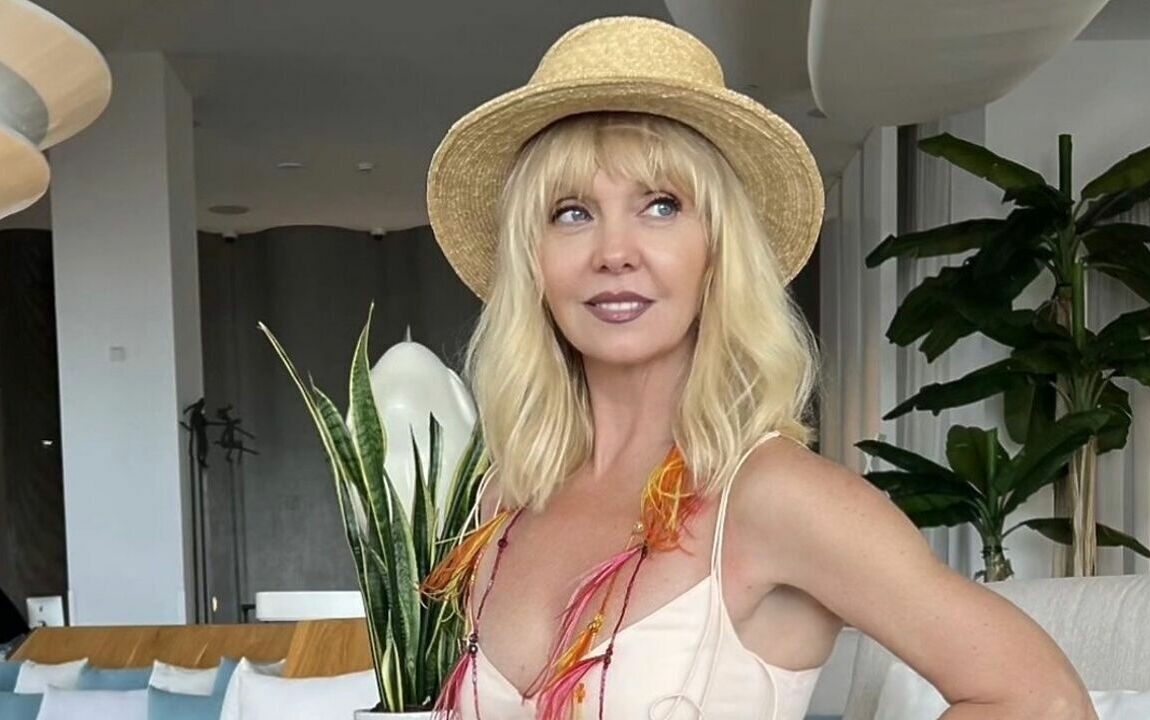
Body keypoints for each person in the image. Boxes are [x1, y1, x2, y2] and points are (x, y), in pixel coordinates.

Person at [422, 16, 1095, 720]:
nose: (614, 252)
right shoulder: (505, 496)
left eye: (661, 206)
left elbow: (1043, 701)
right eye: (571, 213)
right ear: (532, 260)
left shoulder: (776, 496)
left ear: (718, 250)